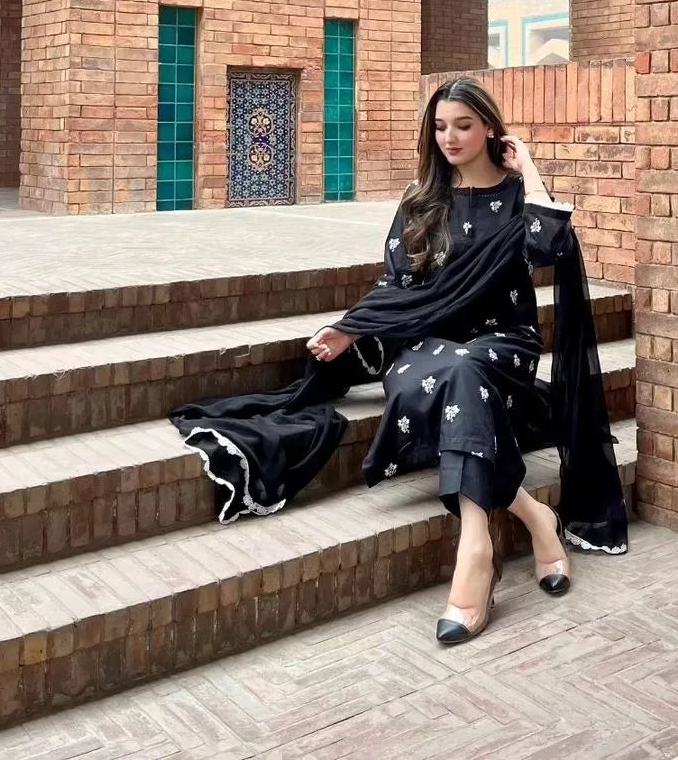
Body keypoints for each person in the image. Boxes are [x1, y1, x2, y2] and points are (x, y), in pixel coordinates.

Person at [172, 78, 627, 646]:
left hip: (502, 343)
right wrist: (349, 328)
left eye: (463, 125)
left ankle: (476, 550)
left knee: (465, 370)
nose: (449, 138)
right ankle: (529, 518)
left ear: (490, 128)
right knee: (455, 373)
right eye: (440, 127)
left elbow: (548, 248)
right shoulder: (422, 198)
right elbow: (398, 285)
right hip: (425, 348)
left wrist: (528, 166)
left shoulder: (518, 198)